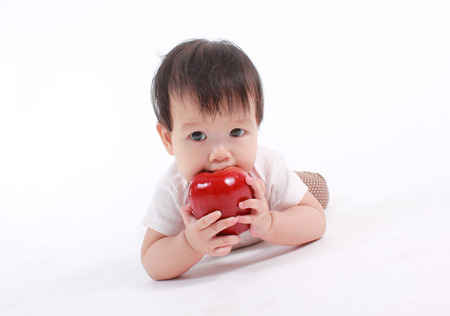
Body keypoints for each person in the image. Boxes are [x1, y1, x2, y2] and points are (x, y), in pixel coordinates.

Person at [141, 39, 327, 281]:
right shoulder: (173, 188)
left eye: (236, 132)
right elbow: (151, 261)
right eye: (198, 135)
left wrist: (272, 224)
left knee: (317, 193)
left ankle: (301, 182)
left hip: (275, 194)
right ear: (168, 139)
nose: (220, 153)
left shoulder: (269, 167)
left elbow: (317, 222)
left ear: (257, 124)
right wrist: (188, 244)